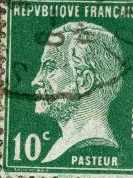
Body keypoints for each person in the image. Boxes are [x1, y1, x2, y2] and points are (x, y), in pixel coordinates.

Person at [31, 21, 123, 164]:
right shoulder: (62, 146)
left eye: (50, 67)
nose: (36, 80)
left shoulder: (94, 146)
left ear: (85, 81)